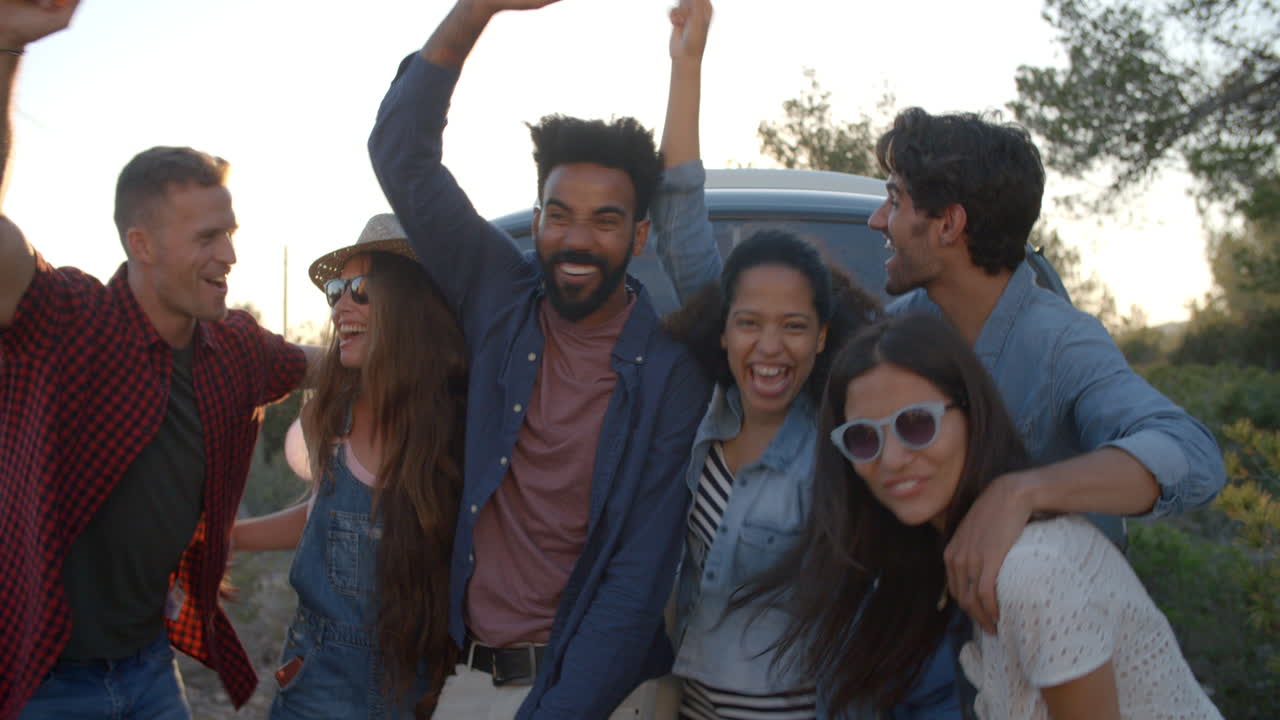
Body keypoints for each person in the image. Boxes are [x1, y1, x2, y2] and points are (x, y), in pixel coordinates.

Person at [367, 0, 712, 716]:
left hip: (600, 693)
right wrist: (477, 11)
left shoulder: (670, 373)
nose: (576, 239)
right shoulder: (498, 295)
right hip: (466, 682)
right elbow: (402, 153)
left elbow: (635, 581)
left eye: (605, 220)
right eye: (560, 215)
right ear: (538, 217)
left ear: (640, 237)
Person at [0, 3, 312, 718]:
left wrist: (388, 346)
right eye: (208, 236)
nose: (229, 255)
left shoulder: (231, 346)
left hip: (148, 671)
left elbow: (318, 362)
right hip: (45, 681)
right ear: (142, 245)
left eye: (230, 233)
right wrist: (8, 49)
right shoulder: (67, 318)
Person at [870, 109, 1225, 634]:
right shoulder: (896, 332)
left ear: (949, 223)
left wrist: (1021, 492)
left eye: (895, 200)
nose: (879, 219)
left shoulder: (1063, 343)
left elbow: (1192, 456)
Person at [766, 312, 1223, 720]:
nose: (892, 460)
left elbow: (1191, 456)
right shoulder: (925, 557)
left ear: (972, 413)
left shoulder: (1030, 570)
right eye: (864, 438)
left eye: (917, 424)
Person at [654, 4, 889, 717]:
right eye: (749, 323)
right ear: (723, 332)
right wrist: (686, 67)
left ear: (822, 337)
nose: (768, 346)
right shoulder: (700, 415)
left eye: (793, 327)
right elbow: (679, 211)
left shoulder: (844, 443)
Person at [230, 215, 467, 718]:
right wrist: (225, 537)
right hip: (320, 680)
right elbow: (327, 520)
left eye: (359, 288)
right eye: (336, 289)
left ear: (411, 303)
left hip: (423, 688)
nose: (341, 304)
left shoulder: (462, 424)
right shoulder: (334, 413)